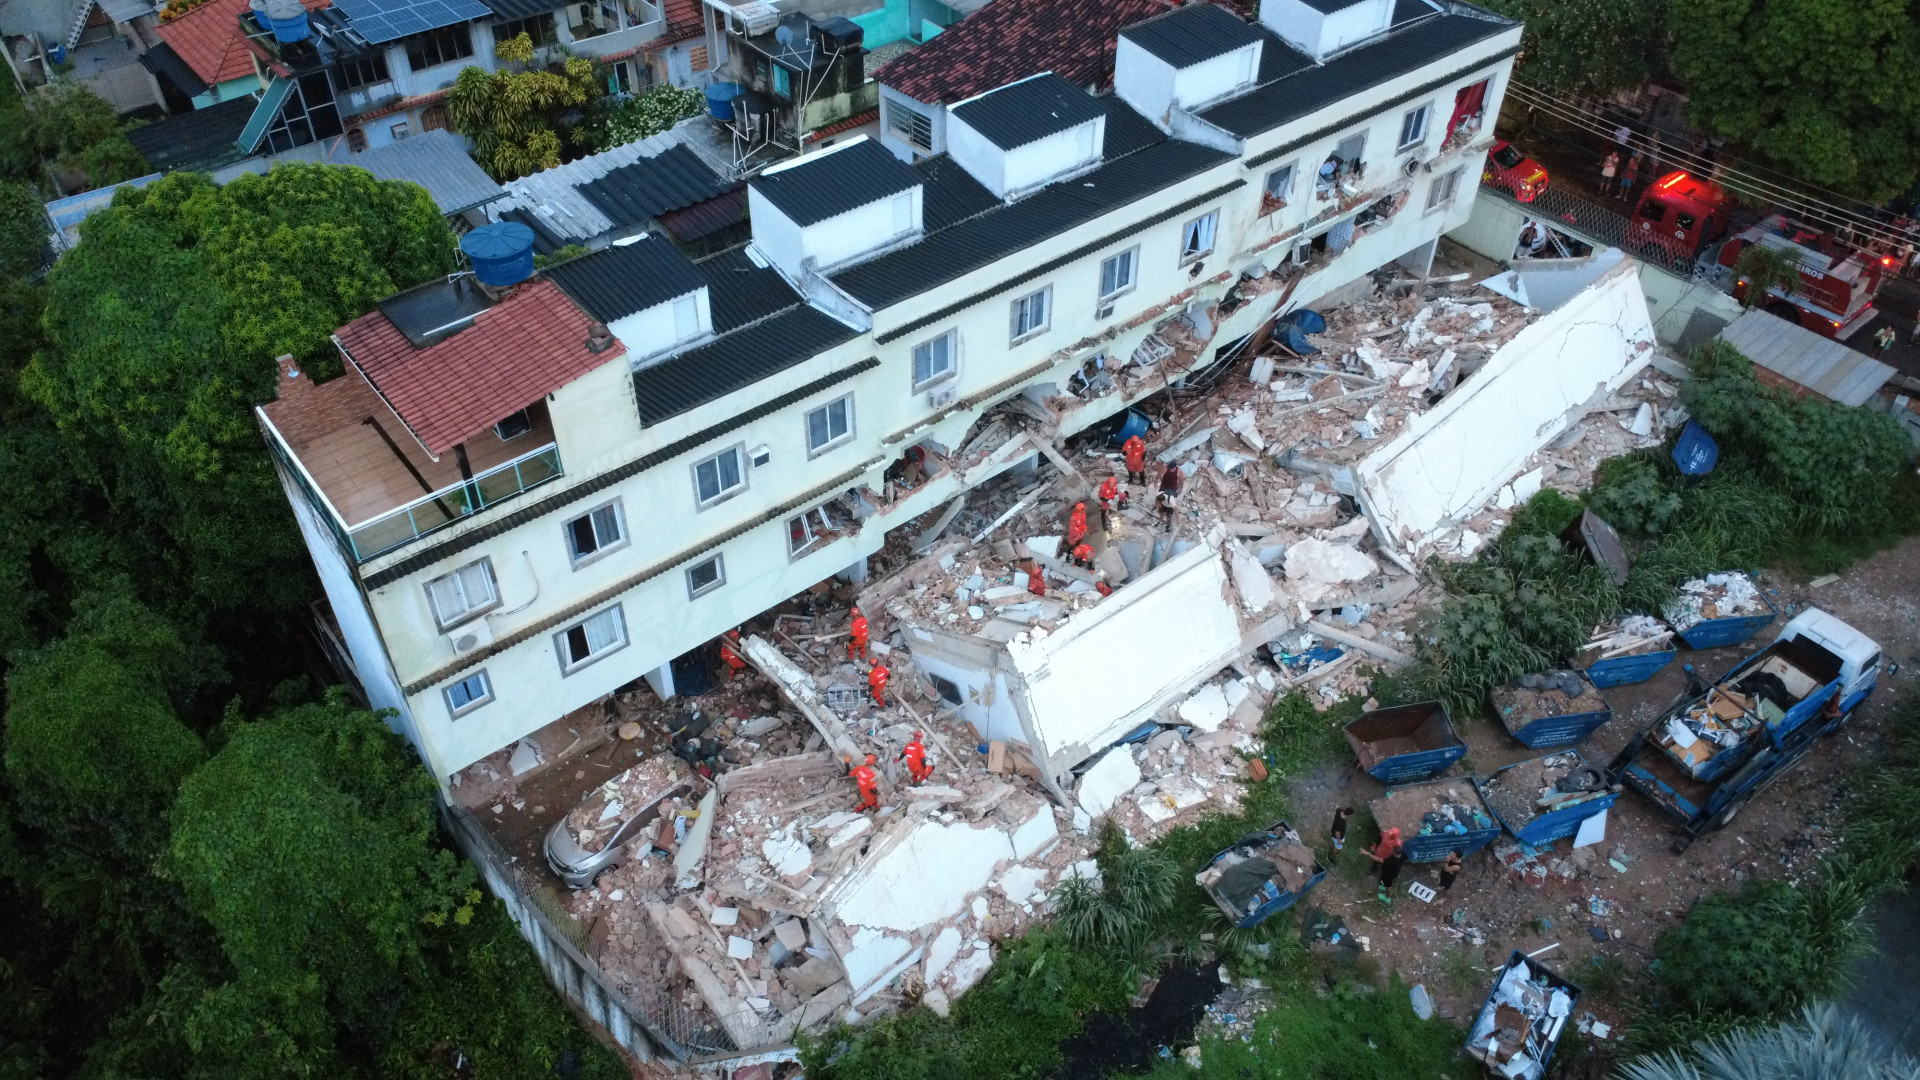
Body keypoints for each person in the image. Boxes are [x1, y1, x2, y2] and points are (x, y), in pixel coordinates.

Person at [1156, 462, 1184, 527]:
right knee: (1161, 512)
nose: (1169, 469)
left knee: (1169, 516)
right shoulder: (1160, 494)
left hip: (1172, 490)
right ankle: (1160, 521)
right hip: (1164, 486)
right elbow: (1159, 474)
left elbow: (1176, 510)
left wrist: (1178, 520)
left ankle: (1168, 525)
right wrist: (1157, 504)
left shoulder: (1171, 501)